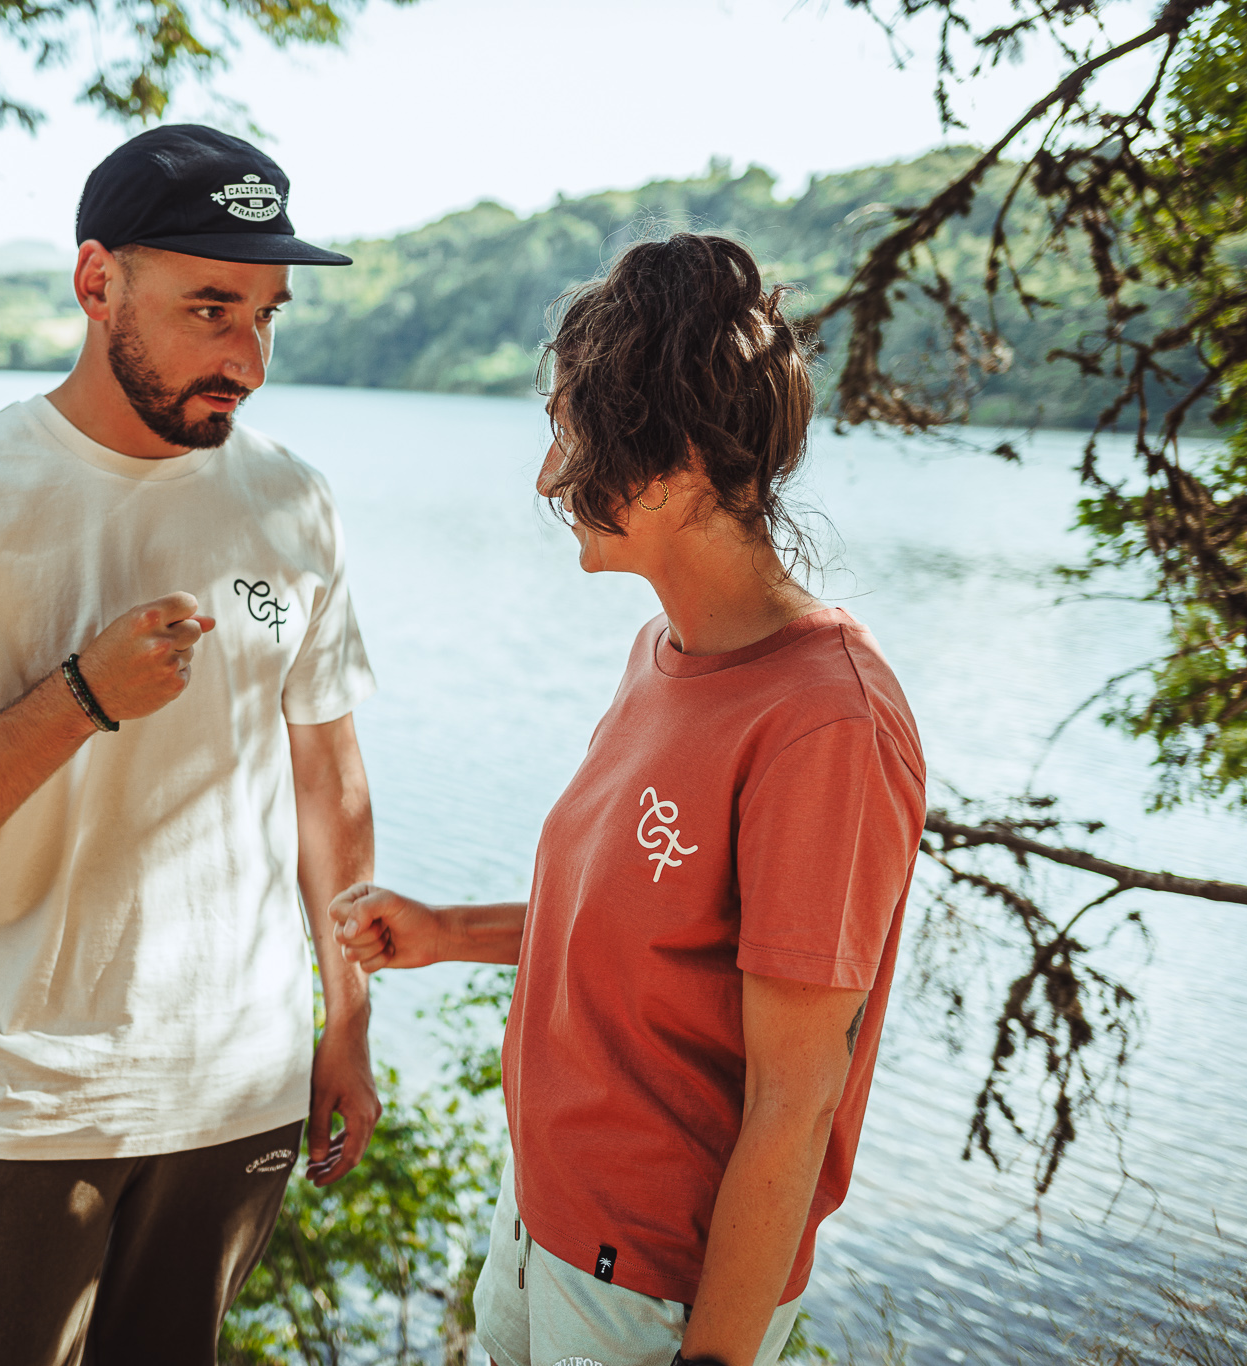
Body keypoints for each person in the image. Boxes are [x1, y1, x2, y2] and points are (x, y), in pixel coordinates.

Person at [0, 124, 381, 1366]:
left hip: (236, 1093)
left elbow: (327, 783)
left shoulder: (294, 502)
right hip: (21, 1105)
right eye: (208, 308)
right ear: (96, 283)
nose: (245, 359)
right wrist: (80, 696)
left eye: (266, 315)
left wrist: (344, 1016)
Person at [330, 234, 926, 1366]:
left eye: (571, 436)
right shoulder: (661, 651)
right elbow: (644, 932)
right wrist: (446, 931)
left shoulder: (825, 724)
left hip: (649, 1296)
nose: (548, 478)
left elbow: (795, 1102)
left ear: (675, 466)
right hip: (542, 1229)